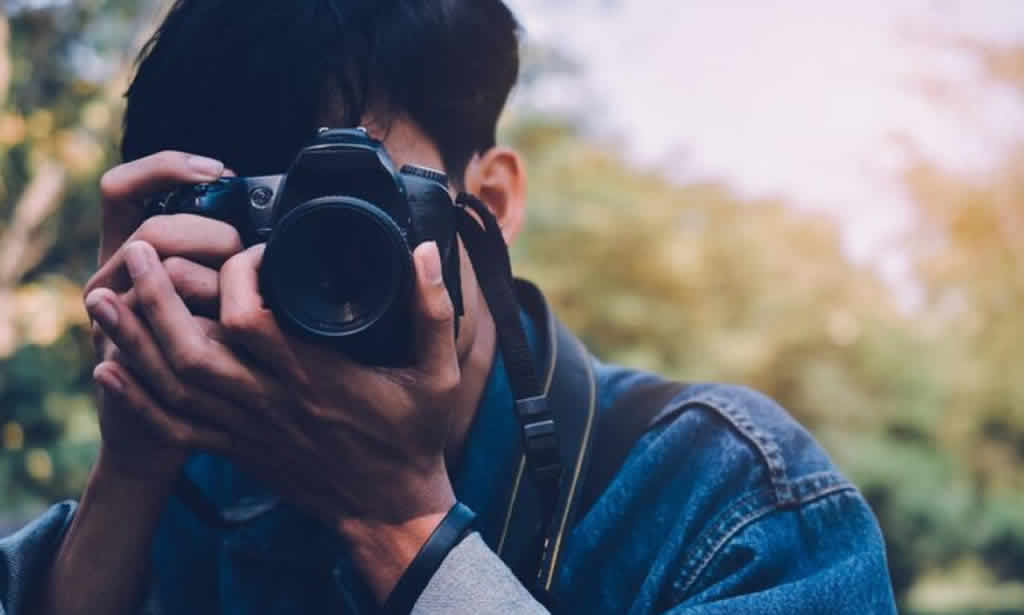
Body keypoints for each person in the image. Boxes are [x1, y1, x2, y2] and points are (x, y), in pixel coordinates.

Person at [0, 2, 898, 614]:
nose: (290, 271)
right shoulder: (198, 480)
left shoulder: (725, 498)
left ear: (492, 204)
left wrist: (399, 522)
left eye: (348, 205)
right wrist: (133, 463)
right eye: (253, 216)